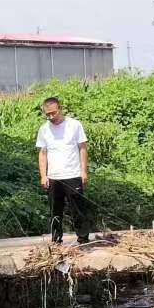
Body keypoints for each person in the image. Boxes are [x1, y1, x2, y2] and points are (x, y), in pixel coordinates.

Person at [35, 96, 94, 243]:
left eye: (53, 113)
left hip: (73, 174)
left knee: (78, 209)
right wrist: (43, 175)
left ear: (60, 109)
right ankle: (56, 240)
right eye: (47, 114)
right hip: (53, 176)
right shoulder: (44, 129)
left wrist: (83, 171)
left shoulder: (74, 125)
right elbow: (42, 153)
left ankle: (83, 238)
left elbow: (82, 148)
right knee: (55, 210)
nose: (51, 117)